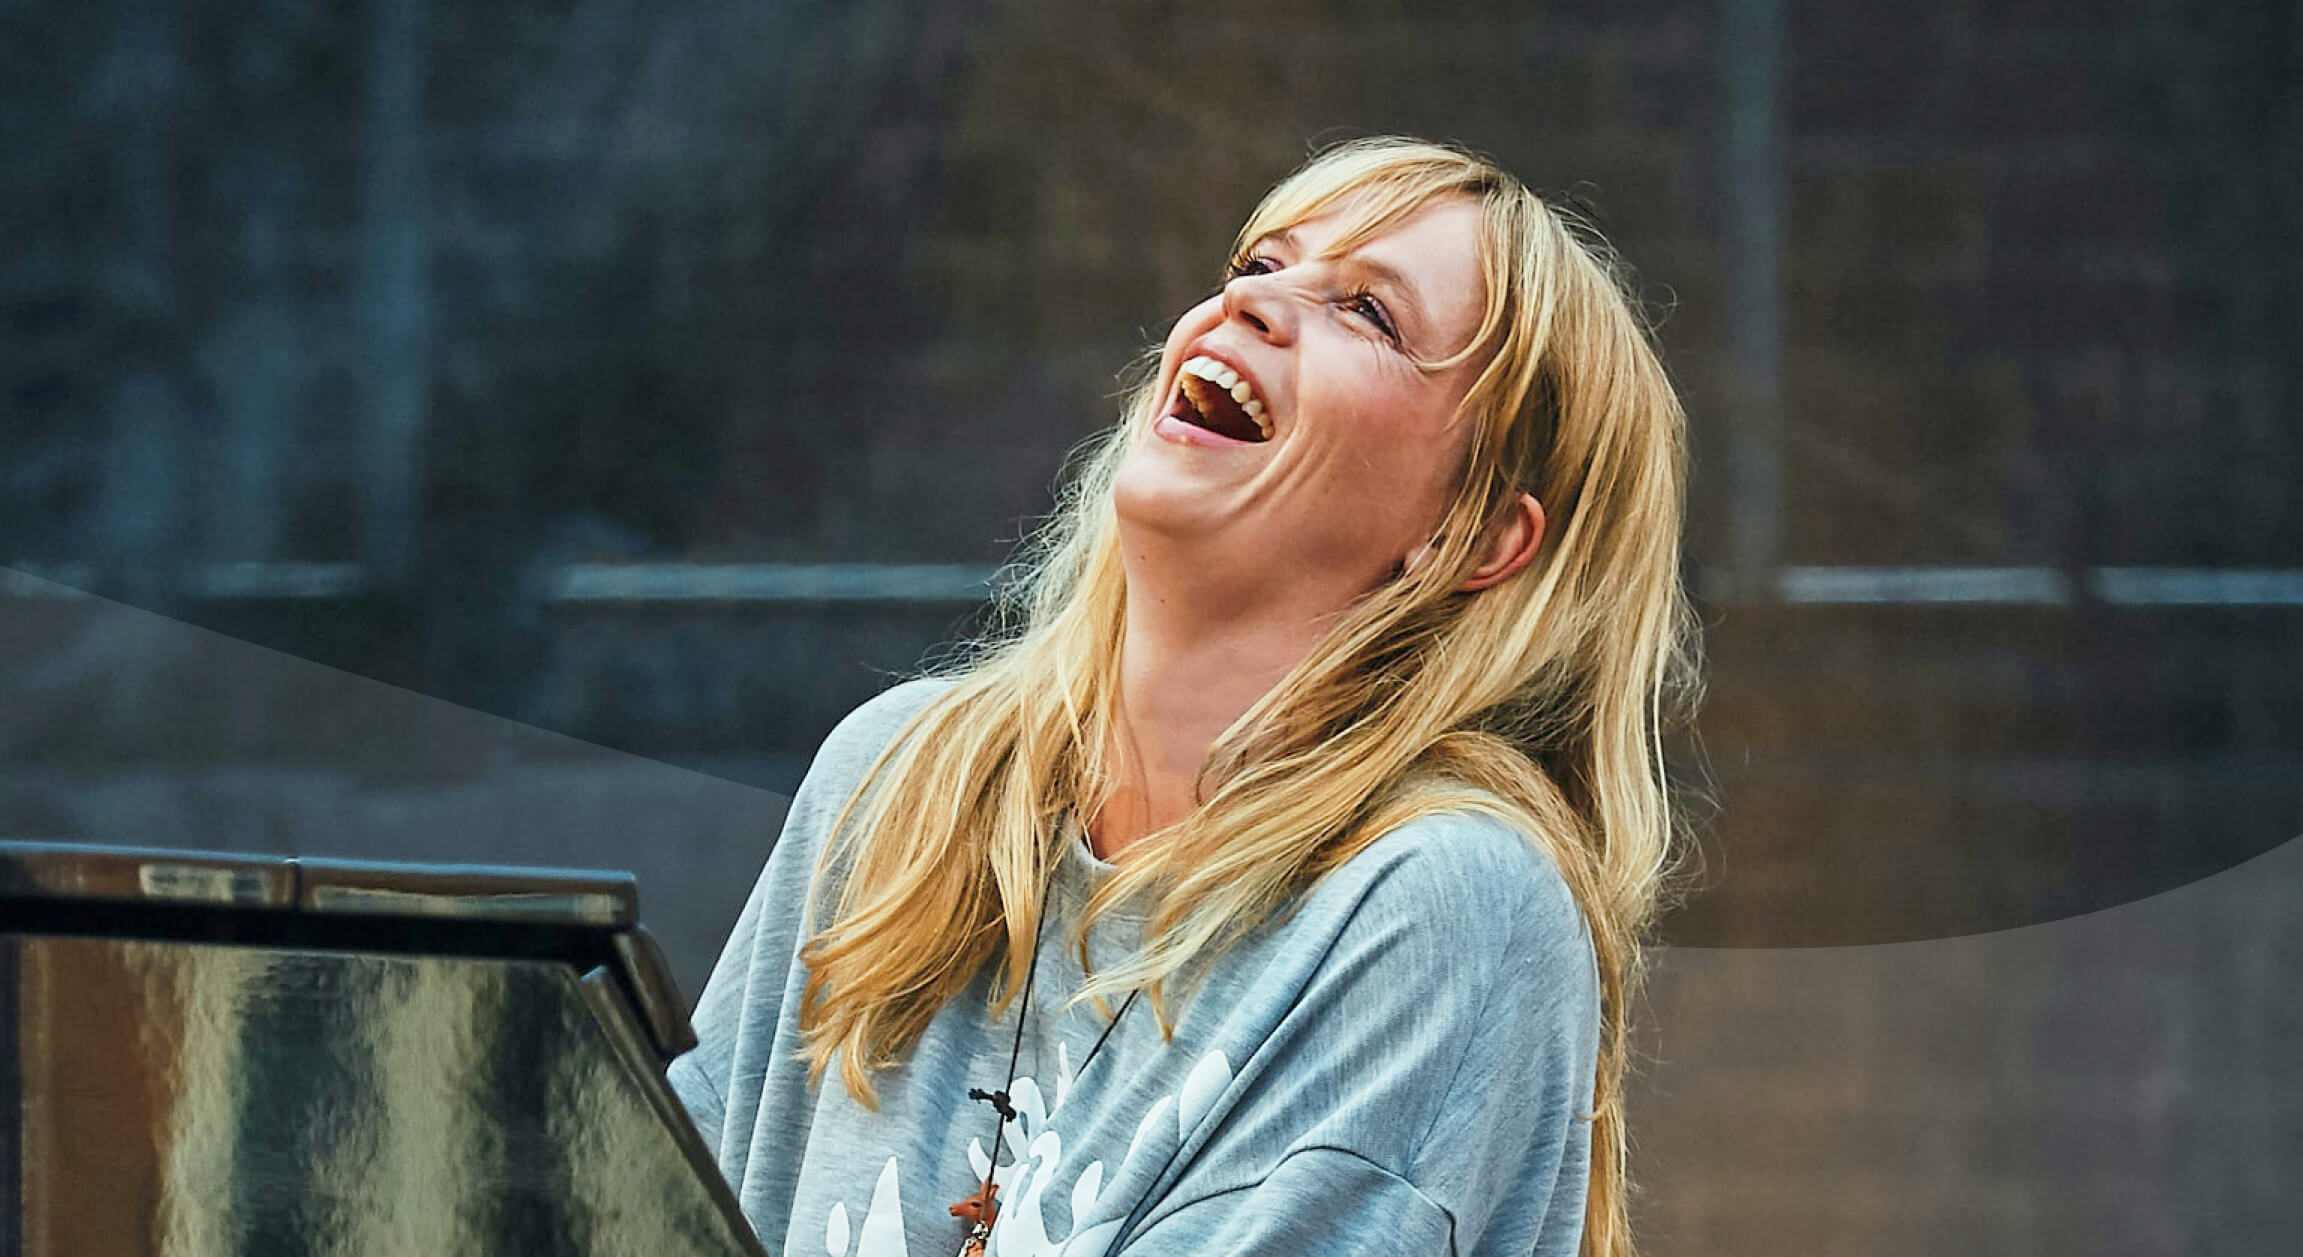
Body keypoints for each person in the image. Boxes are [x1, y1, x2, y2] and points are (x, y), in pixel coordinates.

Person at [670, 137, 1697, 1257]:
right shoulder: (896, 777)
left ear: (1473, 534)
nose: (1252, 305)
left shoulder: (1448, 903)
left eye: (1368, 312)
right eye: (1258, 264)